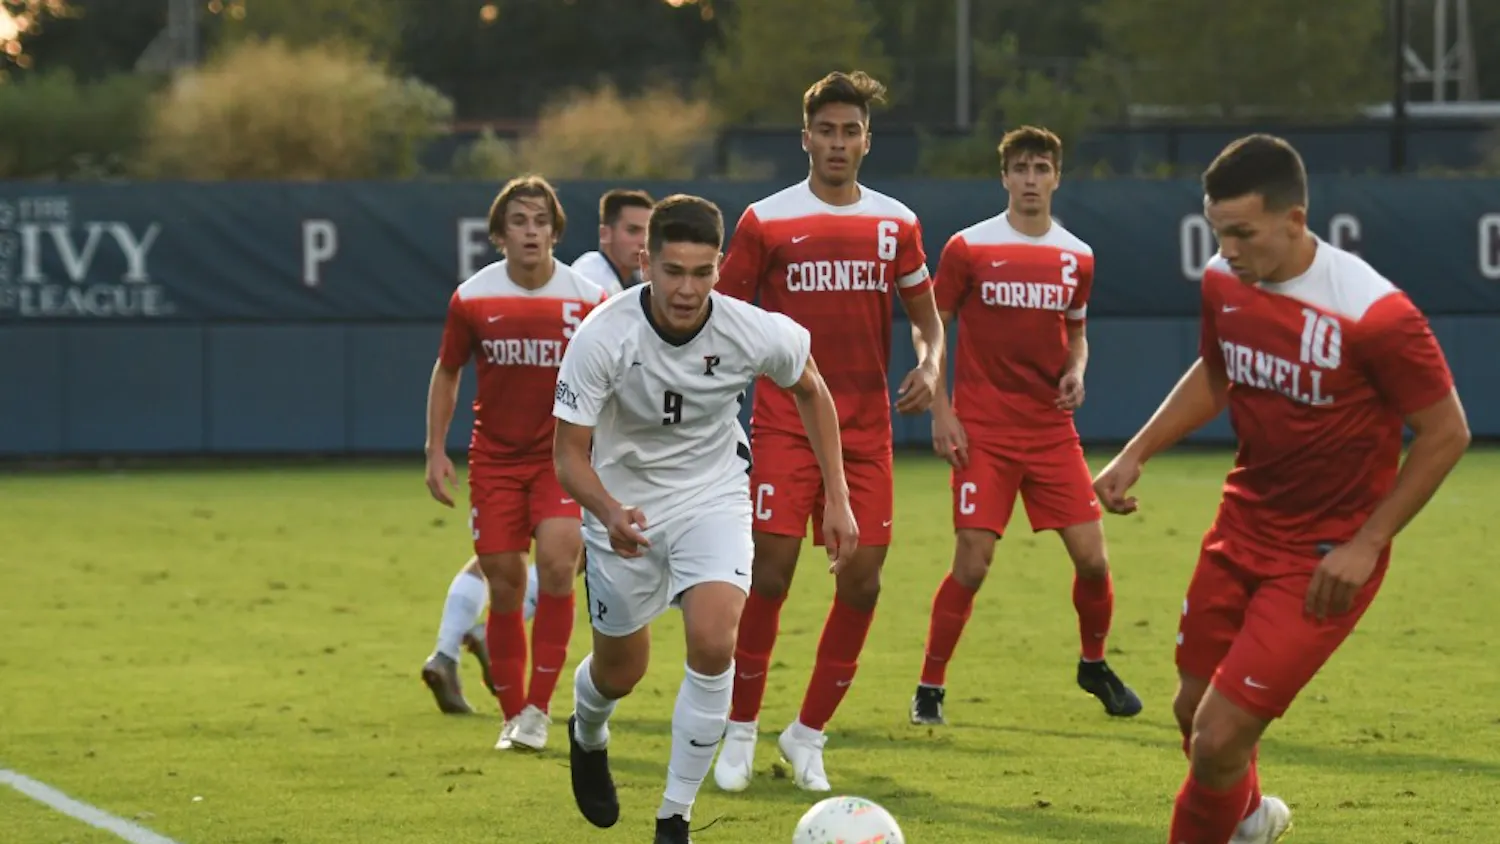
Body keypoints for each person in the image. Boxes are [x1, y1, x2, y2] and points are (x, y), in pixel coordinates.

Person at [1091, 134, 1470, 844]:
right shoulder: (1223, 280)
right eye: (1217, 231)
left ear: (1295, 220)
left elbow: (1447, 432)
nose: (1227, 249)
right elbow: (1215, 372)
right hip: (1239, 529)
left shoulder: (1374, 314)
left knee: (1214, 741)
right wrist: (1135, 453)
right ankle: (1253, 820)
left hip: (1323, 560)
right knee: (1193, 711)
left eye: (1242, 232)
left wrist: (1367, 543)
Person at [553, 194, 857, 844]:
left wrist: (837, 496)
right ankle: (588, 726)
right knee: (620, 673)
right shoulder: (602, 336)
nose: (687, 289)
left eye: (702, 272)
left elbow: (811, 387)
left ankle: (675, 816)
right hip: (621, 508)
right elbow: (567, 457)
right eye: (673, 271)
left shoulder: (752, 329)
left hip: (712, 497)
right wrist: (607, 511)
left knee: (716, 640)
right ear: (645, 262)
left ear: (720, 266)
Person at [711, 70, 946, 793]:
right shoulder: (765, 220)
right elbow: (722, 314)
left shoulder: (896, 223)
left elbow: (927, 321)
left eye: (851, 131)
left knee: (863, 581)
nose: (838, 142)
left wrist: (932, 368)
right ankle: (740, 729)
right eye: (827, 130)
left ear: (867, 141)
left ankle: (806, 733)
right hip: (784, 418)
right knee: (771, 574)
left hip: (866, 425)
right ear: (804, 136)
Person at [910, 125, 1141, 726]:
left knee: (1093, 560)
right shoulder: (969, 246)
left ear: (1056, 177)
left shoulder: (1077, 255)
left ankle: (1093, 665)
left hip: (1050, 430)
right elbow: (932, 326)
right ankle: (930, 684)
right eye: (1021, 168)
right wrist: (943, 410)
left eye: (1042, 168)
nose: (1032, 179)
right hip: (982, 429)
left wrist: (1077, 371)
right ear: (1004, 177)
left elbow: (1077, 333)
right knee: (973, 562)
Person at [422, 175, 607, 751]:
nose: (531, 231)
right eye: (519, 222)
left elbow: (612, 381)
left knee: (556, 564)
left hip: (561, 458)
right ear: (499, 235)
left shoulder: (587, 299)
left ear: (556, 230)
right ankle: (511, 713)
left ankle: (538, 710)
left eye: (541, 221)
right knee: (504, 584)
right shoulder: (473, 298)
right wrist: (435, 449)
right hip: (495, 461)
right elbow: (448, 370)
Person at [572, 189, 654, 296]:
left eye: (649, 232)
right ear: (605, 234)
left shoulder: (640, 275)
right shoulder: (590, 280)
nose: (644, 241)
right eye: (633, 230)